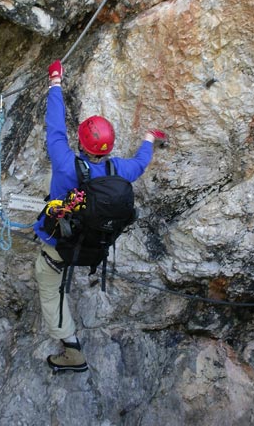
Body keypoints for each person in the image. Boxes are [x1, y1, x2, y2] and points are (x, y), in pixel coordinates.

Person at [33, 59, 166, 373]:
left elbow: (54, 124)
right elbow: (140, 163)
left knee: (49, 286)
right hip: (91, 245)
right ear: (108, 148)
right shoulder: (117, 169)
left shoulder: (65, 162)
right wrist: (148, 138)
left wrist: (55, 82)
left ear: (81, 142)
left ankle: (72, 351)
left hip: (57, 243)